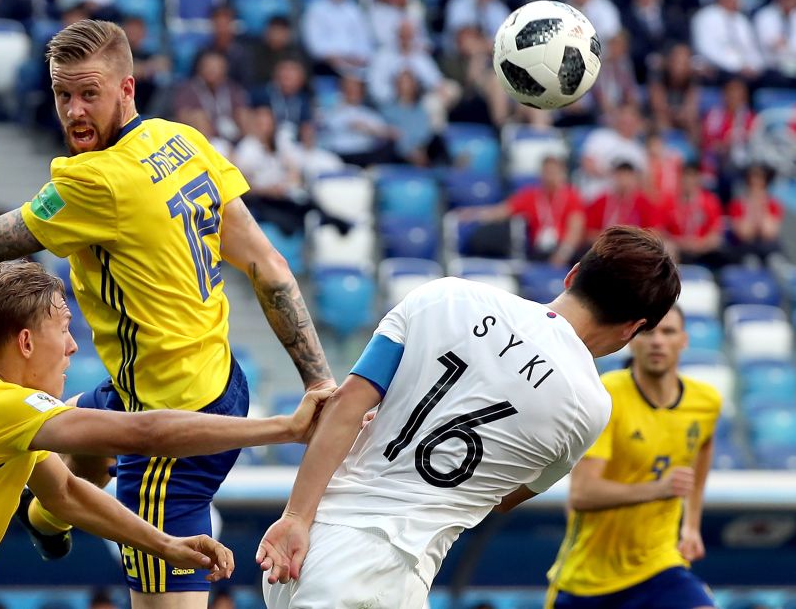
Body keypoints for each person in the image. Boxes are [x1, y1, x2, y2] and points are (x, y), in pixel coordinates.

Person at [0, 19, 335, 608]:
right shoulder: (181, 140)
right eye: (63, 95)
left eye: (90, 93)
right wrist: (318, 375)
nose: (74, 111)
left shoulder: (92, 182)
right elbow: (268, 266)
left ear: (127, 88)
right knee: (81, 424)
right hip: (220, 380)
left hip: (170, 434)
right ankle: (49, 517)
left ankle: (50, 514)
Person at [0, 260, 329, 609]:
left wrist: (164, 544)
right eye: (63, 330)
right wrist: (283, 427)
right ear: (26, 342)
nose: (73, 347)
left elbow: (68, 492)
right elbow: (142, 431)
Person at [257, 226, 682, 608]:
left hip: (308, 539)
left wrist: (296, 516)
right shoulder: (589, 408)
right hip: (384, 566)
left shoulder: (444, 295)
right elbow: (504, 499)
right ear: (633, 329)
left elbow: (348, 403)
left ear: (571, 275)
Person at [545, 306, 721, 609]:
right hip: (589, 577)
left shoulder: (706, 402)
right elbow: (583, 494)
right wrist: (660, 489)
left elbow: (702, 450)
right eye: (648, 332)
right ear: (632, 339)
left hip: (659, 563)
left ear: (684, 340)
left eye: (668, 332)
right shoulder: (606, 396)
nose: (657, 341)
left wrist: (691, 525)